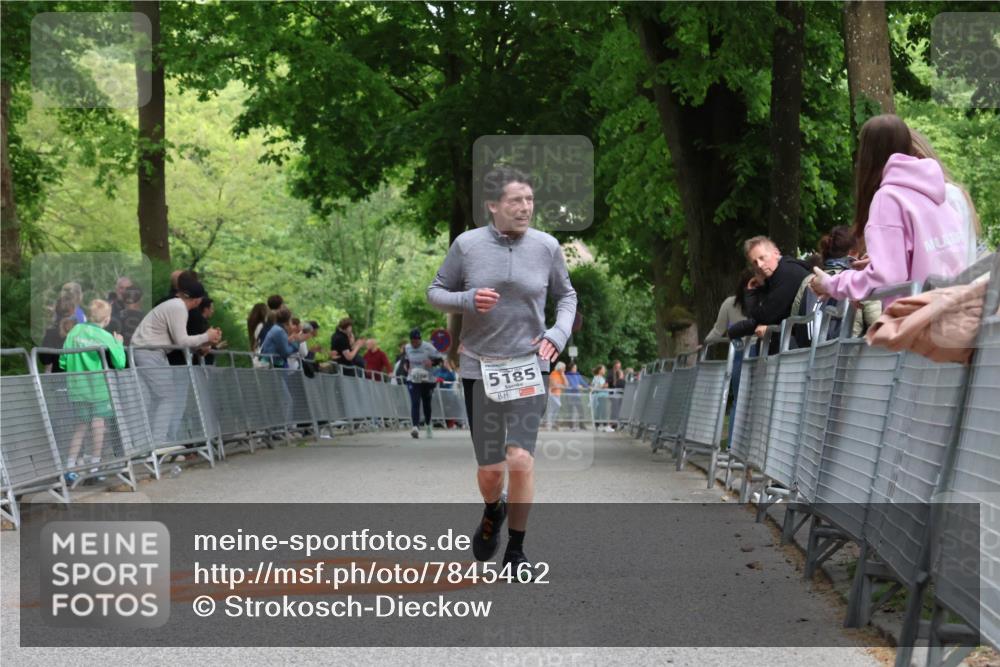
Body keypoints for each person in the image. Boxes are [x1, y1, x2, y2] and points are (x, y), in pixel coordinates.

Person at [427, 165, 577, 579]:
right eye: (515, 201)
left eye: (529, 200)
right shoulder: (467, 245)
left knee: (521, 459)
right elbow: (435, 293)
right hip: (480, 366)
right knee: (492, 470)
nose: (525, 208)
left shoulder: (546, 246)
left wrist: (558, 333)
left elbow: (567, 296)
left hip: (531, 365)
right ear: (493, 205)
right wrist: (469, 299)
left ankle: (516, 551)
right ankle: (494, 508)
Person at [811, 115, 968, 305]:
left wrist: (831, 283)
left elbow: (887, 278)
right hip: (956, 312)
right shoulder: (935, 191)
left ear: (868, 154)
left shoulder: (888, 198)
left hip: (918, 320)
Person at [131, 278, 222, 445]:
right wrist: (206, 336)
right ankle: (159, 442)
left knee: (158, 397)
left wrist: (206, 341)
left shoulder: (174, 305)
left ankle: (150, 441)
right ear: (198, 300)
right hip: (149, 352)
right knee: (167, 397)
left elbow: (178, 341)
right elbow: (181, 341)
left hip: (151, 352)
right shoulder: (178, 307)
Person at [59, 299, 127, 483]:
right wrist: (118, 343)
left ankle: (70, 466)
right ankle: (95, 466)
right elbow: (120, 363)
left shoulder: (74, 331)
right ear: (106, 319)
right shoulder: (104, 336)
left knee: (80, 426)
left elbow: (62, 362)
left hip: (77, 389)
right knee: (99, 426)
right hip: (98, 389)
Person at [909, 129, 984, 267]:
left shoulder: (948, 196)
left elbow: (952, 261)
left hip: (949, 287)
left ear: (920, 158)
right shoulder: (947, 195)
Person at [791, 226, 881, 339]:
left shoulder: (809, 280)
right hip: (845, 352)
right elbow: (876, 322)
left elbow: (794, 320)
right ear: (853, 252)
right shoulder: (858, 280)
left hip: (807, 352)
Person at [728, 236, 812, 352]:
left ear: (776, 253)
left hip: (799, 348)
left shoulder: (787, 273)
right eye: (755, 262)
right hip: (799, 343)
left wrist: (751, 292)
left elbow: (764, 317)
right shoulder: (783, 271)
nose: (760, 265)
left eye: (762, 258)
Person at [402, 328, 442, 438]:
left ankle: (428, 425)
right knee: (415, 401)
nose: (414, 344)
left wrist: (432, 362)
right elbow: (406, 360)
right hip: (413, 377)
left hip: (427, 378)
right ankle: (415, 427)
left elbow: (440, 360)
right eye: (412, 342)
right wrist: (406, 366)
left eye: (416, 342)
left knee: (426, 403)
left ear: (420, 340)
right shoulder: (407, 347)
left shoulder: (428, 347)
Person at [39, 296, 78, 373]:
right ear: (74, 311)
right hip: (81, 377)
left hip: (58, 377)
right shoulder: (82, 331)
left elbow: (45, 360)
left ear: (56, 311)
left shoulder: (51, 333)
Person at [564, 362, 588, 431]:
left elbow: (582, 382)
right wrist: (577, 387)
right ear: (571, 368)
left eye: (576, 368)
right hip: (570, 395)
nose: (575, 369)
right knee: (571, 411)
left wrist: (588, 387)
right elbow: (571, 385)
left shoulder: (577, 374)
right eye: (574, 368)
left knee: (581, 410)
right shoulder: (567, 375)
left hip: (577, 396)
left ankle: (582, 425)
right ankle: (571, 426)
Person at [545, 361, 568, 430]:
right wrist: (561, 386)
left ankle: (552, 424)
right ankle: (549, 424)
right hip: (552, 394)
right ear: (560, 368)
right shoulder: (553, 374)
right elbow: (554, 385)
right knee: (555, 408)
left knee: (555, 410)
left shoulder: (561, 375)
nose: (565, 370)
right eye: (564, 368)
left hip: (558, 395)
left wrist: (563, 376)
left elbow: (566, 385)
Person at [590, 364, 611, 432]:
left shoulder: (599, 377)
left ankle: (599, 425)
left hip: (601, 396)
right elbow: (598, 386)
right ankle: (604, 425)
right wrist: (605, 385)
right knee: (602, 411)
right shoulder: (597, 377)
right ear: (600, 370)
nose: (605, 370)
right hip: (600, 396)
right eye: (603, 369)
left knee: (600, 411)